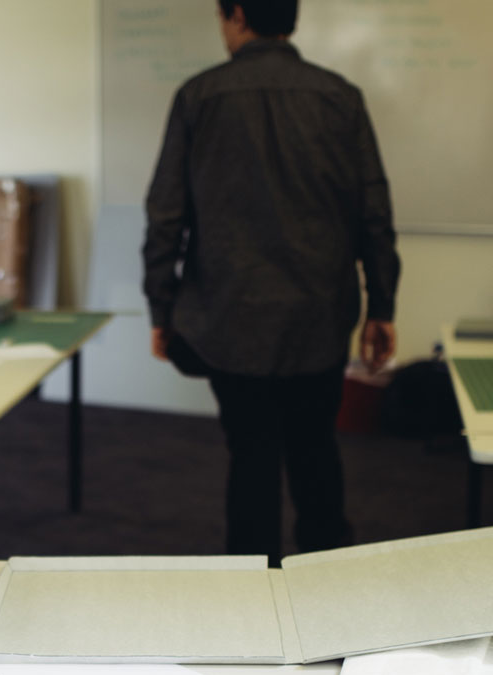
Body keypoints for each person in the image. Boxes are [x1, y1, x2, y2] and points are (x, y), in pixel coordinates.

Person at [142, 0, 400, 564]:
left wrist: (161, 310)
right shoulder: (339, 96)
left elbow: (166, 216)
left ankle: (253, 596)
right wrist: (382, 305)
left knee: (250, 456)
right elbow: (373, 212)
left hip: (229, 319)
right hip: (319, 316)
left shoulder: (198, 96)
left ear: (236, 15)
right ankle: (328, 581)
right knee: (315, 449)